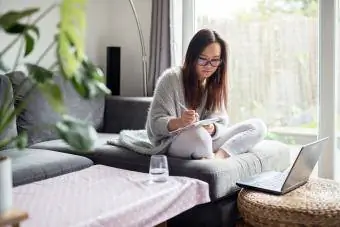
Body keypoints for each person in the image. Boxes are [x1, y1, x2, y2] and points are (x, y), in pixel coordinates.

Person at [146, 29, 267, 159]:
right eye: (203, 59)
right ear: (192, 57)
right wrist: (180, 122)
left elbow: (221, 123)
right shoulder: (171, 79)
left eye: (215, 60)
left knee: (258, 126)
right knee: (199, 135)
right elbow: (155, 124)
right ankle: (209, 155)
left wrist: (212, 128)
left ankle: (219, 157)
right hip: (175, 141)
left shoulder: (214, 82)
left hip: (207, 139)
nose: (209, 66)